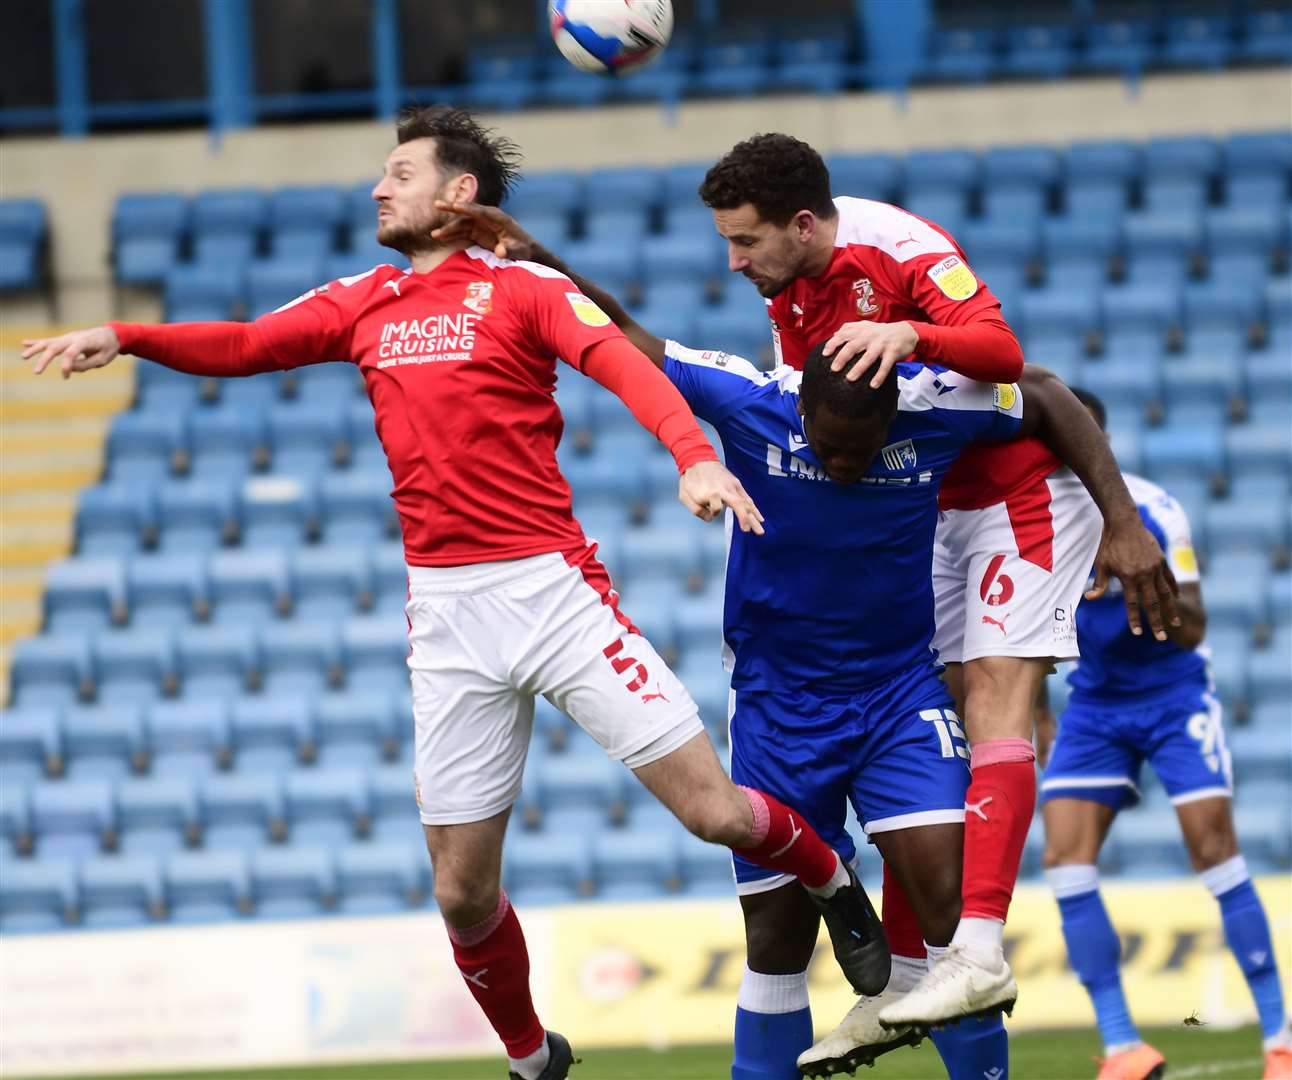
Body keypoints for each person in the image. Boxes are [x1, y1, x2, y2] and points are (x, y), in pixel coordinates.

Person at [22, 106, 890, 1080]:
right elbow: (248, 343)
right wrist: (129, 335)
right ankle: (531, 1062)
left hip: (552, 595)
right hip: (445, 616)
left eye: (398, 172)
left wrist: (693, 459)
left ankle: (825, 871)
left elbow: (623, 369)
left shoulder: (524, 289)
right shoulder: (364, 300)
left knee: (719, 818)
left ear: (457, 195)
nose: (376, 188)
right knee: (460, 893)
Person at [428, 199, 1179, 1080]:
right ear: (803, 408)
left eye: (864, 448)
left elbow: (1048, 394)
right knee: (775, 944)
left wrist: (1122, 521)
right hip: (781, 708)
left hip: (900, 697)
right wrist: (542, 259)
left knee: (948, 912)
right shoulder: (749, 400)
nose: (846, 464)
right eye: (829, 446)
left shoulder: (933, 408)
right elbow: (628, 336)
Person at [698, 133, 1180, 1031]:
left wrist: (1123, 523)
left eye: (746, 241)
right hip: (941, 509)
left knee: (997, 698)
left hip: (1020, 492)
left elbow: (1016, 366)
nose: (734, 261)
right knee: (930, 758)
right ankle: (915, 977)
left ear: (803, 225)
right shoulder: (789, 291)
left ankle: (979, 955)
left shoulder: (901, 250)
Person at [1037, 389, 1292, 1080]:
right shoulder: (1034, 522)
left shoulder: (1152, 512)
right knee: (1064, 861)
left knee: (1213, 848)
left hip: (1172, 694)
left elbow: (1197, 627)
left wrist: (1127, 582)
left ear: (1100, 450)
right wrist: (1035, 711)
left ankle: (1281, 1040)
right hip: (1094, 704)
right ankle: (1124, 1045)